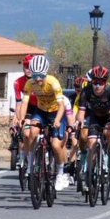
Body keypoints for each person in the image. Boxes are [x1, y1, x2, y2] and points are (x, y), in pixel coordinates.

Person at [15, 55, 68, 192]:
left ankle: (61, 173)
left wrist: (57, 120)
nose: (38, 79)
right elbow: (25, 102)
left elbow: (62, 105)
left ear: (46, 73)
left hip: (56, 112)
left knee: (56, 144)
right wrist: (21, 119)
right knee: (32, 131)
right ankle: (31, 161)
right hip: (41, 111)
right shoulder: (29, 83)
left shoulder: (53, 83)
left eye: (41, 76)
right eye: (35, 75)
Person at [75, 65, 110, 179]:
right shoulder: (86, 91)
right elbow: (81, 112)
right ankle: (89, 172)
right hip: (95, 117)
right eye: (95, 82)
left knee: (108, 133)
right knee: (91, 142)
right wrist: (79, 122)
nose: (97, 86)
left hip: (109, 118)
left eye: (101, 82)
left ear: (105, 82)